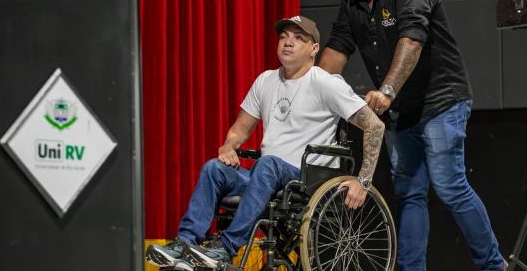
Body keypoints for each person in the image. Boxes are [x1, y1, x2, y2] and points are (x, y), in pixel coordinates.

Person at [318, 0, 506, 271]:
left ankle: (493, 266)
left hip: (440, 103)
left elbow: (412, 39)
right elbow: (338, 46)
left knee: (449, 187)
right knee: (409, 193)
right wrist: (312, 89)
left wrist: (387, 90)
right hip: (402, 113)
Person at [146, 15, 385, 270]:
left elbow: (375, 126)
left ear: (314, 48)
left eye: (298, 38)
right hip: (265, 177)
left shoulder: (325, 83)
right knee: (214, 168)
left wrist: (363, 181)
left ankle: (226, 248)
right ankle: (185, 243)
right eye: (284, 37)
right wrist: (228, 146)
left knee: (267, 163)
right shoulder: (266, 80)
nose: (288, 42)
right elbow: (240, 129)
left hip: (304, 179)